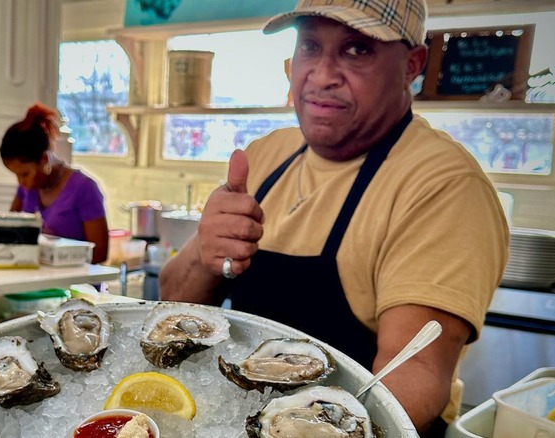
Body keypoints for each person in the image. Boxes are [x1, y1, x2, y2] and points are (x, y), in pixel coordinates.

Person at [159, 0, 509, 436]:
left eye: (357, 49)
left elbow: (415, 377)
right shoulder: (265, 156)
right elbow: (172, 298)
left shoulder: (442, 184)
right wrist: (204, 254)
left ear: (411, 65)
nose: (322, 75)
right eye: (310, 45)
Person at [0, 103, 109, 264]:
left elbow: (99, 252)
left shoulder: (84, 189)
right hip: (37, 281)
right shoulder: (27, 189)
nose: (21, 182)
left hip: (74, 285)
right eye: (16, 175)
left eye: (24, 174)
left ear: (44, 160)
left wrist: (55, 256)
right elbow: (11, 233)